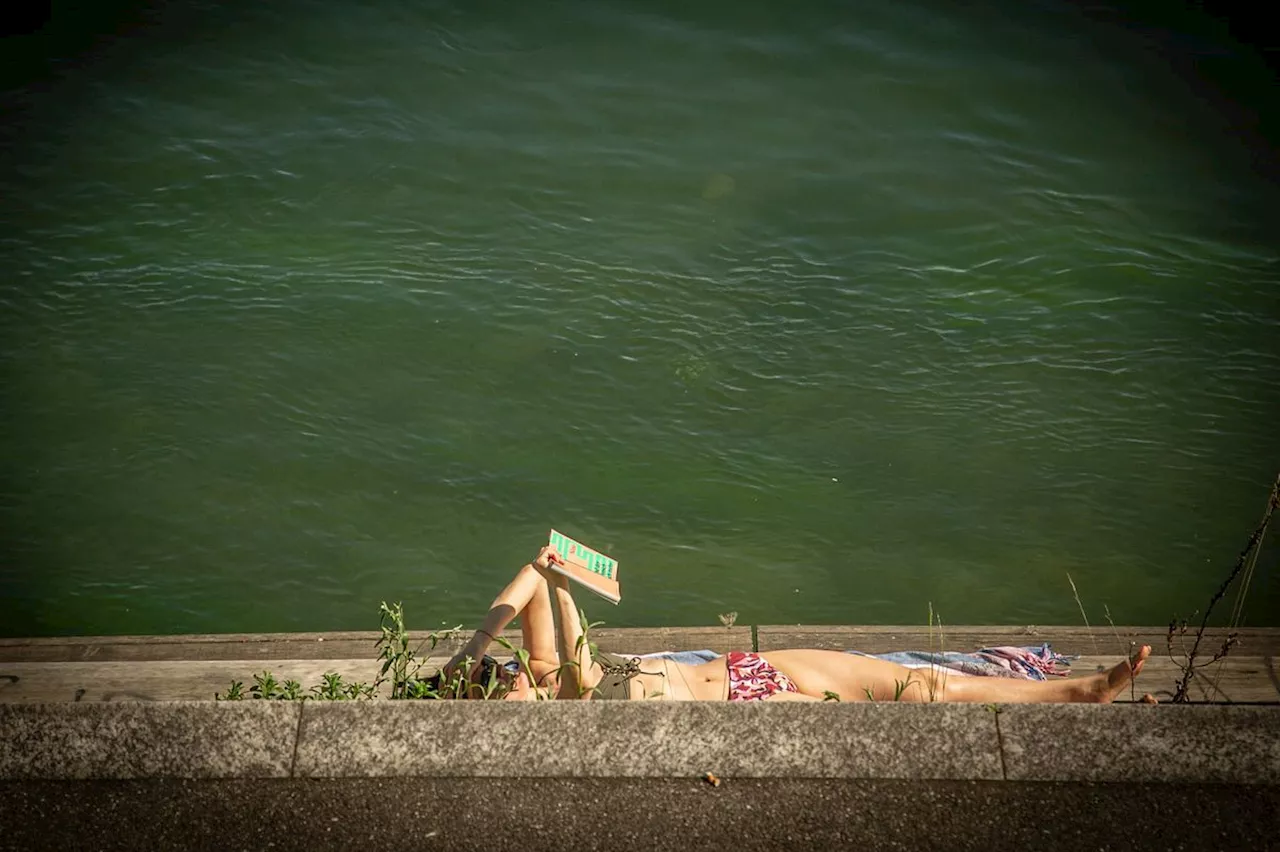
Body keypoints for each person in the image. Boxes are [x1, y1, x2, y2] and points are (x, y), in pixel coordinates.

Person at [439, 545, 1151, 703]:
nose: (513, 683)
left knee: (928, 683)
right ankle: (1083, 693)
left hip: (759, 663)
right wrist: (568, 593)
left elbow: (528, 583)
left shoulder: (532, 677)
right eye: (505, 690)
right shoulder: (564, 703)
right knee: (924, 703)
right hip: (754, 702)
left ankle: (1081, 691)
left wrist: (467, 655)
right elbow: (576, 663)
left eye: (499, 679)